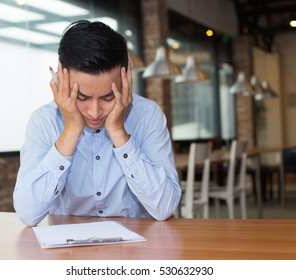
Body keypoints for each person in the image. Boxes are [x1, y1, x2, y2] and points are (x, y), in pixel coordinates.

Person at [13, 20, 181, 227]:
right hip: (67, 252)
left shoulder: (148, 115)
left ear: (126, 77)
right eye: (81, 97)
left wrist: (118, 131)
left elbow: (165, 207)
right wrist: (72, 129)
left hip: (135, 251)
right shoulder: (43, 121)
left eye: (109, 97)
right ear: (60, 80)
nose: (95, 112)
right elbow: (28, 214)